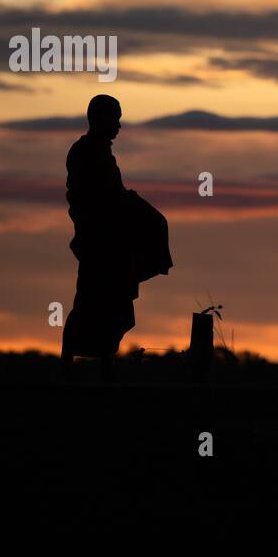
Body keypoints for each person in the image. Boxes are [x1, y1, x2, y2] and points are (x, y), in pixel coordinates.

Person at [61, 95, 172, 379]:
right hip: (99, 242)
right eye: (115, 118)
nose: (119, 126)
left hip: (111, 241)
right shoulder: (85, 152)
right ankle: (67, 369)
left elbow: (113, 195)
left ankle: (105, 371)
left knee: (111, 306)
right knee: (90, 302)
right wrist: (126, 204)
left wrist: (130, 204)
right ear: (100, 119)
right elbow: (91, 198)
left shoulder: (100, 152)